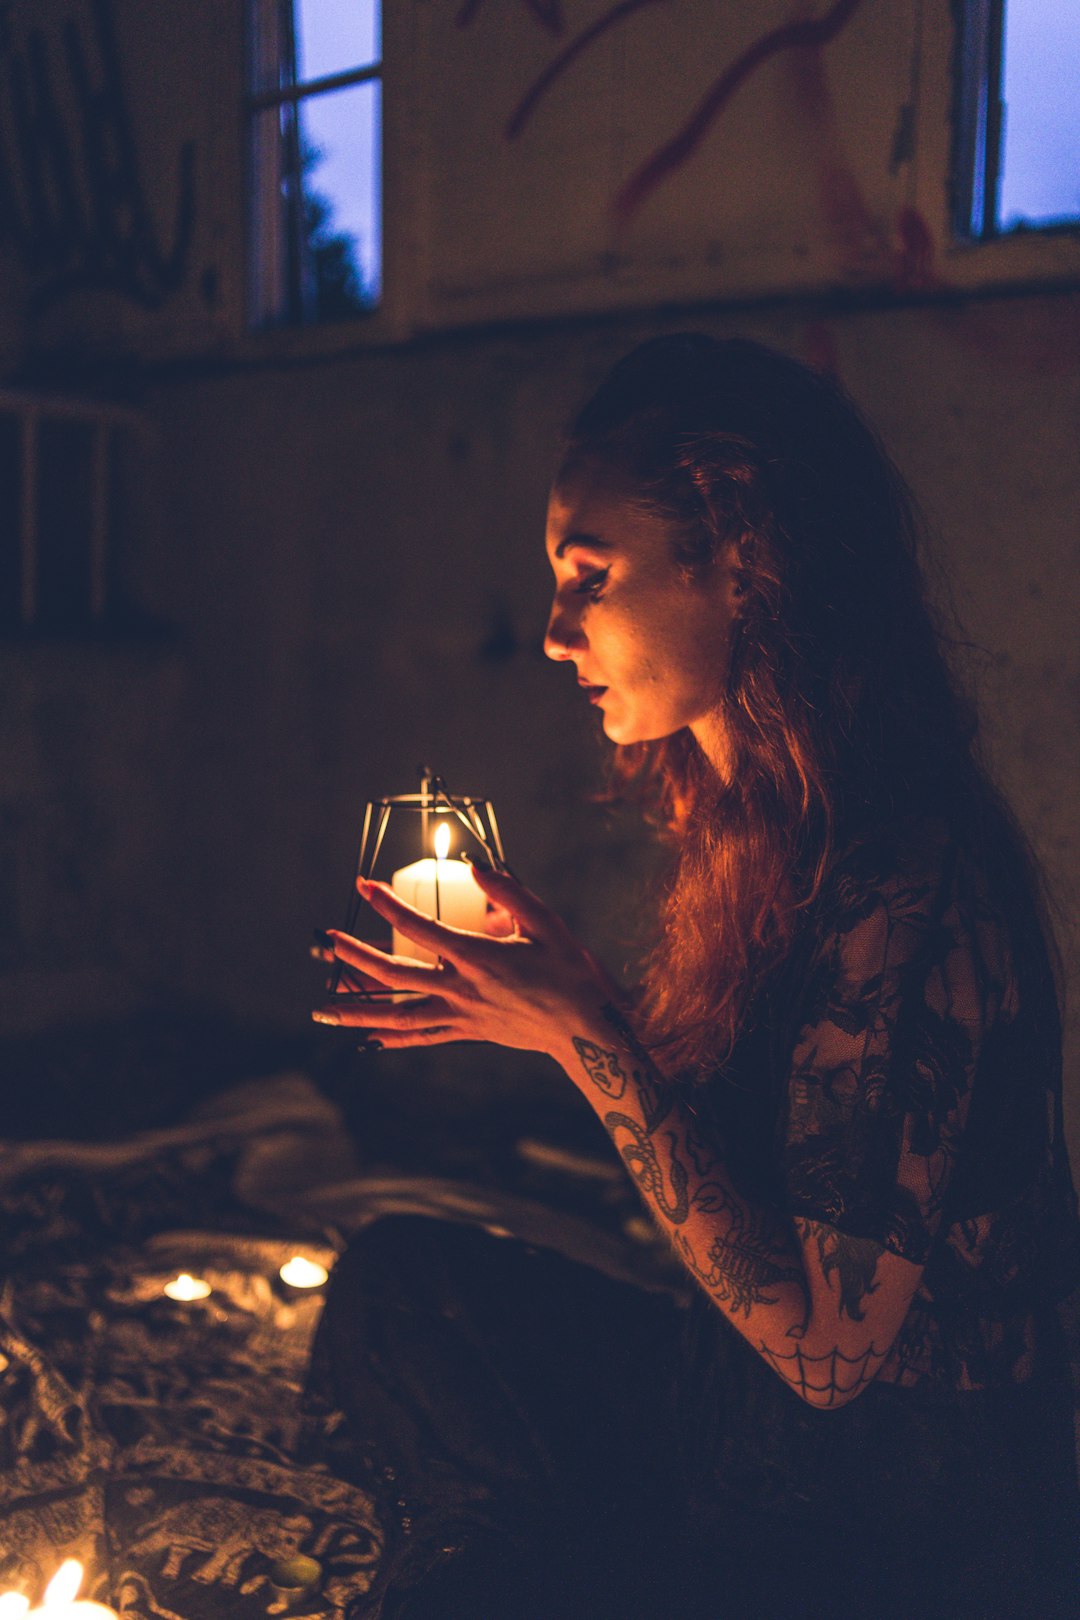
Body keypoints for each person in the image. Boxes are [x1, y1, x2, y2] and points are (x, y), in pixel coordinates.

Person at [309, 335, 1080, 1619]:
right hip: (742, 1413)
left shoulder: (904, 886)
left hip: (892, 1515)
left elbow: (830, 1360)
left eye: (588, 577)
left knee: (492, 1563)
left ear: (741, 563)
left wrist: (587, 1036)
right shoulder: (750, 822)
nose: (557, 634)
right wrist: (548, 1015)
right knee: (402, 1284)